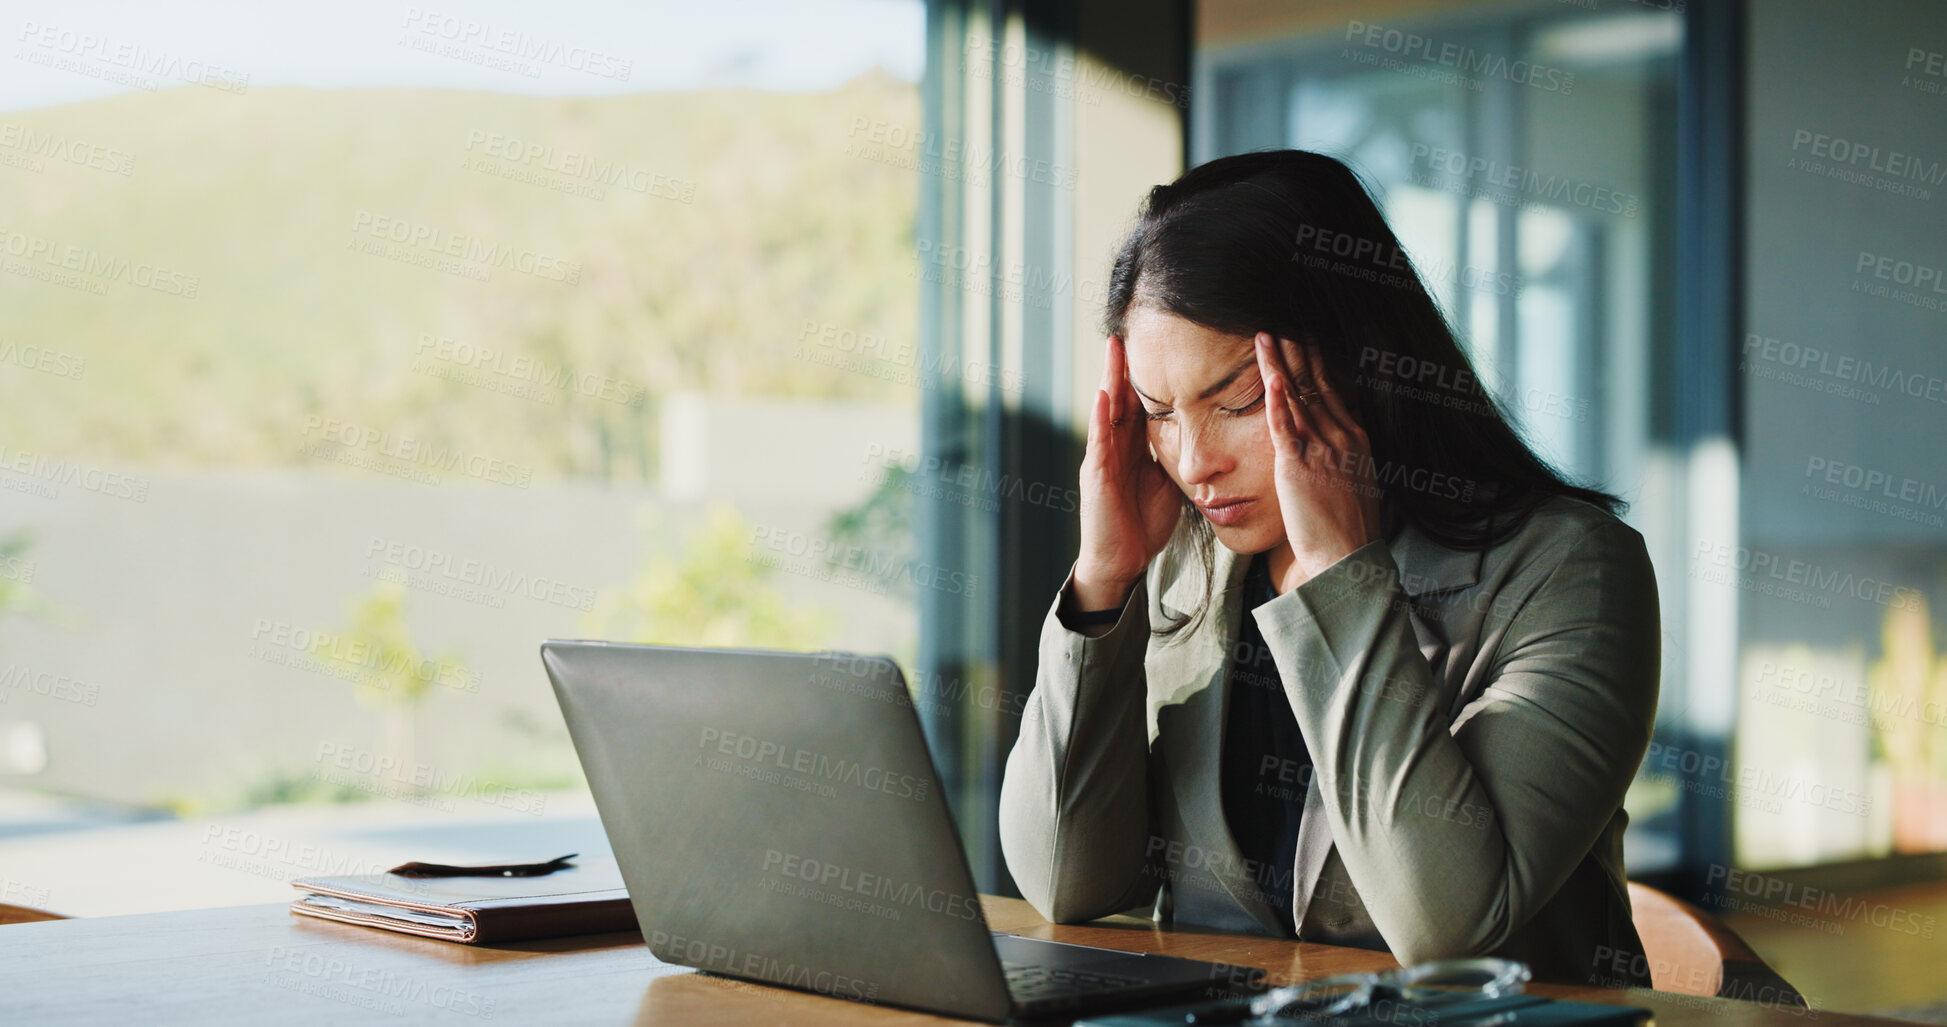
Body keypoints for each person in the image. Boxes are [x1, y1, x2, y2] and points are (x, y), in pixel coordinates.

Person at [996, 149, 1661, 987]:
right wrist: (1102, 582)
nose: (1194, 462)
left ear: (1359, 362)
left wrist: (1341, 573)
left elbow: (1446, 926)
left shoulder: (1567, 571)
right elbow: (1064, 881)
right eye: (1159, 414)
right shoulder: (1182, 569)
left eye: (1237, 401)